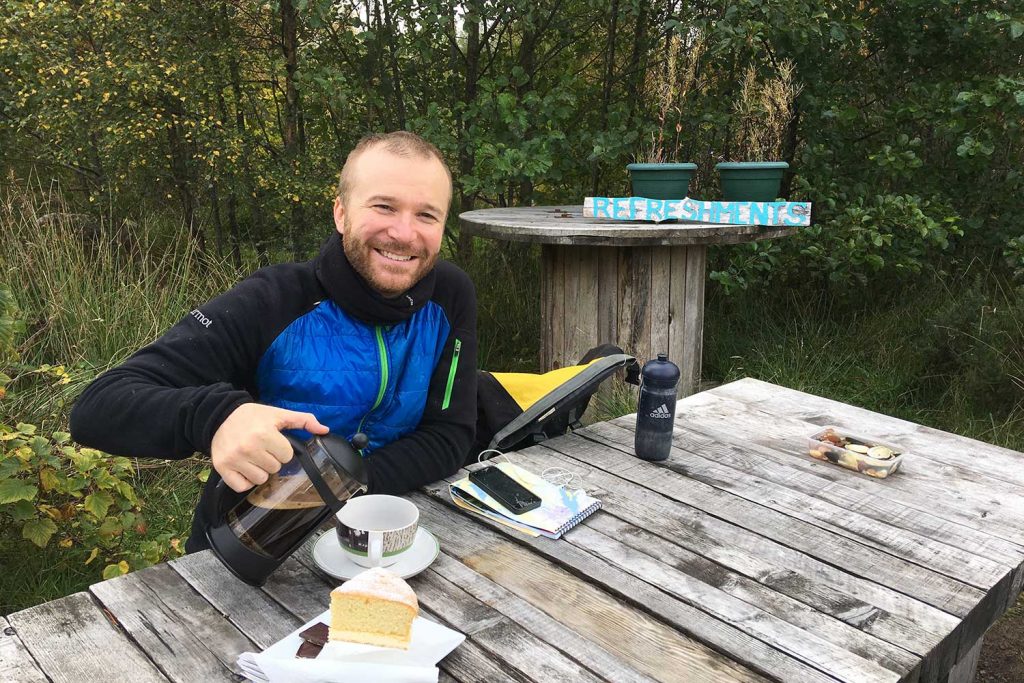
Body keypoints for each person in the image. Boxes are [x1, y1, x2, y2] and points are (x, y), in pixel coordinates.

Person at [69, 131, 477, 552]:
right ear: (341, 214)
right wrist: (217, 417)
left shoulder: (450, 295)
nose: (405, 233)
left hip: (387, 536)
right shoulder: (273, 300)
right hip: (251, 542)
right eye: (384, 206)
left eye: (427, 216)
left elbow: (449, 434)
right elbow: (98, 406)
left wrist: (341, 490)